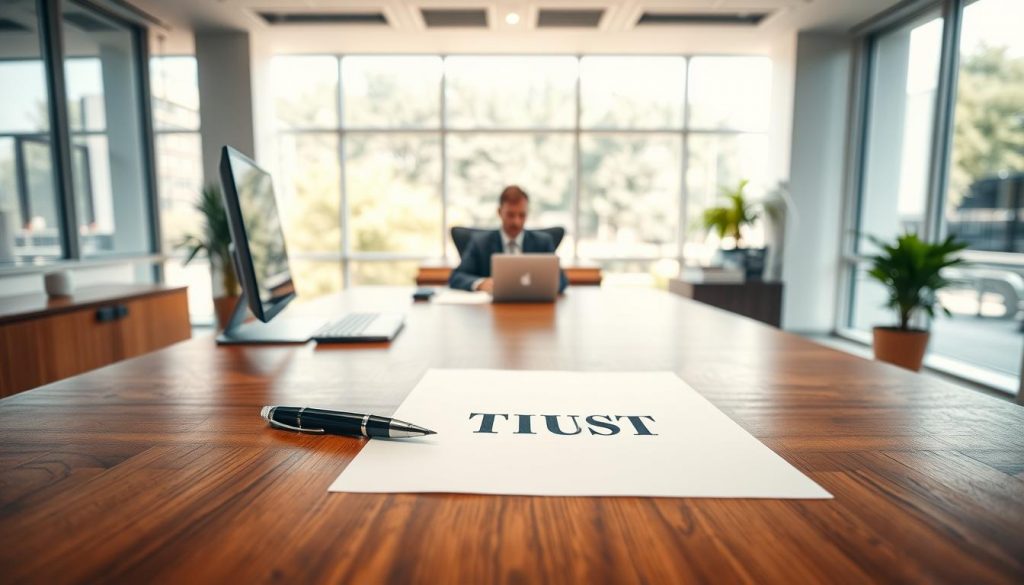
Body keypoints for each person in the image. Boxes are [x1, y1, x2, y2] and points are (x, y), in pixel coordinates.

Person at [448, 185, 568, 293]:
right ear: (500, 212)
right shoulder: (480, 243)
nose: (516, 221)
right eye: (511, 215)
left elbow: (562, 281)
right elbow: (456, 277)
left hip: (533, 309)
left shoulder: (543, 242)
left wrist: (543, 286)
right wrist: (481, 284)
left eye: (522, 215)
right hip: (491, 312)